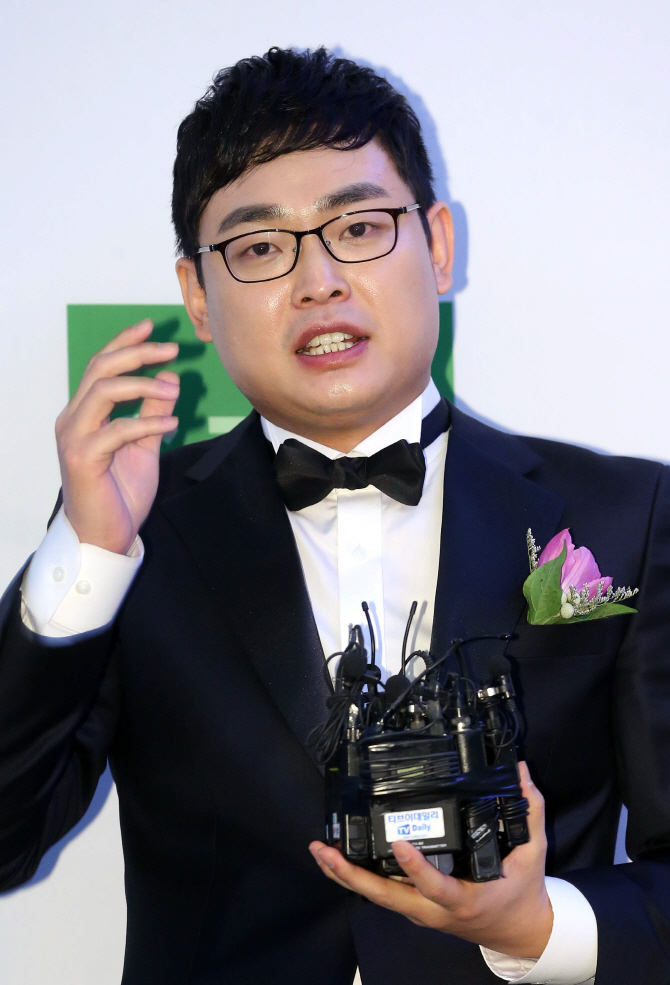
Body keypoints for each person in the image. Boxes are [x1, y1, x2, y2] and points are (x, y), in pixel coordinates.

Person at [0, 46, 669, 985]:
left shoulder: (625, 515)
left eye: (358, 227)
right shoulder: (129, 528)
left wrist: (540, 927)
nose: (318, 280)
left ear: (437, 244)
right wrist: (88, 557)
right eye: (260, 248)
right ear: (197, 295)